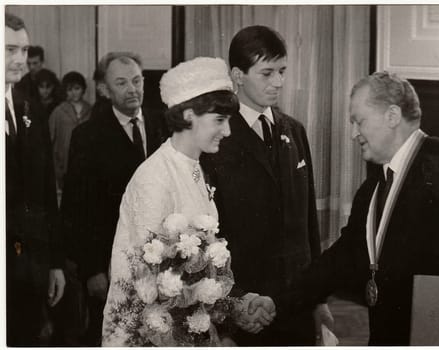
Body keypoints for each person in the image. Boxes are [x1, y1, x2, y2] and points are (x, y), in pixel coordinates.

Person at [268, 71, 439, 345]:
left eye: (359, 121)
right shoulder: (372, 188)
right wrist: (277, 303)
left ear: (391, 116)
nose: (354, 133)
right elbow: (340, 260)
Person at [102, 56, 273, 346]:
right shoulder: (154, 177)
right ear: (190, 114)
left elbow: (199, 272)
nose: (227, 131)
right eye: (219, 120)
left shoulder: (195, 167)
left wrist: (238, 303)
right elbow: (148, 286)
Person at [200, 25, 331, 346]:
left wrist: (318, 296)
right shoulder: (216, 138)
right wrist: (231, 306)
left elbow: (309, 223)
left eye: (282, 71)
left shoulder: (295, 131)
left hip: (296, 300)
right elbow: (208, 234)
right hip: (246, 305)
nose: (279, 83)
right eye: (267, 73)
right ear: (237, 75)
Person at [60, 51, 168, 346]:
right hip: (109, 265)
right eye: (121, 83)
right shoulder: (87, 135)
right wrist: (92, 269)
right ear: (105, 90)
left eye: (136, 80)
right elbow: (76, 209)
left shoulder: (165, 125)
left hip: (161, 264)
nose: (132, 89)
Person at [5, 12, 65, 346]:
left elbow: (44, 194)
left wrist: (54, 263)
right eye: (10, 50)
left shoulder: (29, 108)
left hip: (29, 270)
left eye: (24, 51)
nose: (21, 60)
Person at [49, 71, 92, 201]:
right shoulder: (58, 111)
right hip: (64, 164)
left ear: (83, 89)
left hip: (86, 163)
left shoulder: (90, 109)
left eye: (77, 88)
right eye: (69, 89)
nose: (73, 93)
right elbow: (50, 138)